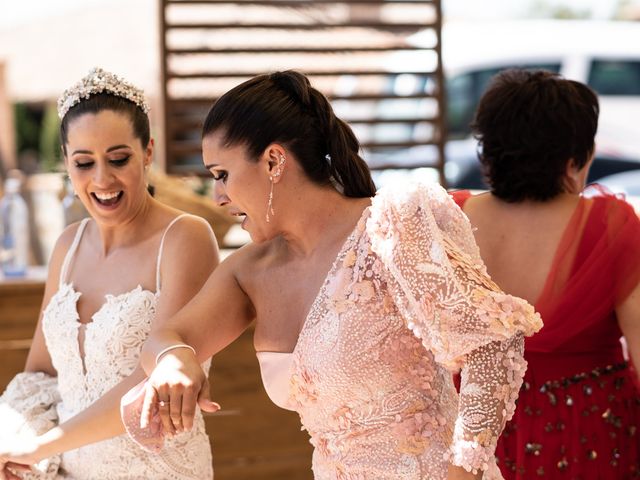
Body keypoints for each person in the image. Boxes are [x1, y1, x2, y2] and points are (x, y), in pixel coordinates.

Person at [123, 70, 543, 480]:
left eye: (221, 175)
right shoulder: (248, 271)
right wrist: (172, 362)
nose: (217, 197)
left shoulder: (392, 226)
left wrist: (464, 471)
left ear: (273, 160)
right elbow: (165, 337)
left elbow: (495, 343)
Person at [0, 68, 218, 479]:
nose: (102, 179)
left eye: (119, 159)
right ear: (66, 162)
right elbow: (40, 375)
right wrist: (13, 444)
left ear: (148, 152)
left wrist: (38, 446)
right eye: (84, 163)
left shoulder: (186, 238)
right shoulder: (66, 247)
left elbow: (151, 386)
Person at [451, 69, 640, 479]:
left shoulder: (449, 220)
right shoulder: (610, 225)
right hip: (590, 431)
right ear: (574, 158)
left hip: (473, 435)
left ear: (487, 148)